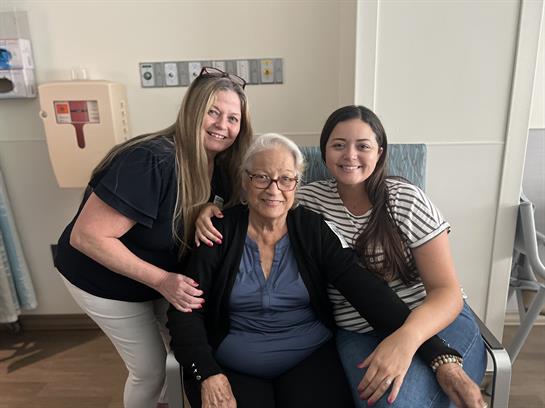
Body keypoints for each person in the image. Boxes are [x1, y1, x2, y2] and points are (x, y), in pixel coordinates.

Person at [168, 133, 470, 408]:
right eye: (262, 177)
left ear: (296, 185)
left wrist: (439, 357)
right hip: (231, 365)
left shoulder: (313, 230)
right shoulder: (216, 231)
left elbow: (369, 294)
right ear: (245, 181)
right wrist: (206, 372)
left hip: (308, 358)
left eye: (286, 179)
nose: (274, 189)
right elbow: (185, 311)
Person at [54, 67, 252, 408]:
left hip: (157, 277)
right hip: (102, 280)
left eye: (233, 118)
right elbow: (87, 236)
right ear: (192, 111)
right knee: (149, 371)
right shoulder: (151, 160)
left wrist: (206, 209)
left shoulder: (220, 167)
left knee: (189, 347)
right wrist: (162, 281)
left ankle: (164, 400)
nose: (223, 125)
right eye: (213, 112)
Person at [296, 105, 487, 407]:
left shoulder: (405, 199)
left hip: (434, 320)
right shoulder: (307, 201)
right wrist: (214, 209)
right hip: (359, 332)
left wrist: (407, 338)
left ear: (380, 153)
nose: (350, 156)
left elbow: (446, 291)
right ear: (324, 152)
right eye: (339, 145)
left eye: (363, 146)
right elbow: (255, 201)